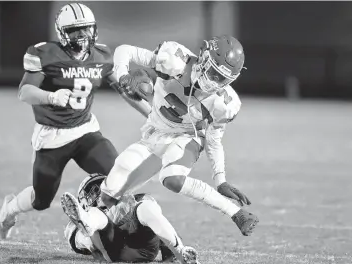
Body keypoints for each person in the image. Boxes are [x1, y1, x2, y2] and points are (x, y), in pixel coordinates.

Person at [0, 2, 150, 239]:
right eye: (75, 30)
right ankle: (10, 209)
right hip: (53, 136)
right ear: (62, 33)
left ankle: (99, 226)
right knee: (41, 199)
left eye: (86, 29)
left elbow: (124, 90)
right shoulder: (46, 54)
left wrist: (151, 115)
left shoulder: (102, 55)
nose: (82, 35)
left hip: (86, 131)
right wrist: (51, 96)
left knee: (117, 177)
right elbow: (24, 92)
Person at [100, 36, 259, 237]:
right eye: (213, 73)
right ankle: (135, 227)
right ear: (203, 58)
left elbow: (213, 139)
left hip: (186, 137)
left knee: (172, 179)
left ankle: (237, 214)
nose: (214, 82)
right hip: (154, 133)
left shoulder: (224, 103)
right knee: (108, 196)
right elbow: (124, 49)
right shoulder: (174, 60)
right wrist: (122, 76)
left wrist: (221, 180)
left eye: (222, 79)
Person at [61, 173, 199, 263]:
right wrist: (89, 240)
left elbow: (157, 222)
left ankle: (180, 251)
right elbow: (82, 242)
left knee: (146, 206)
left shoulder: (130, 203)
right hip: (115, 249)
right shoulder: (84, 220)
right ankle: (87, 222)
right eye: (97, 191)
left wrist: (169, 254)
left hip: (144, 248)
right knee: (97, 218)